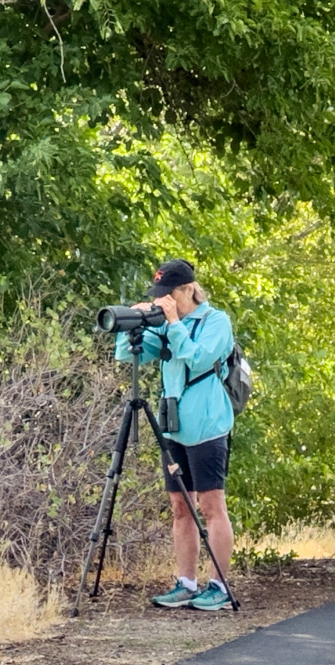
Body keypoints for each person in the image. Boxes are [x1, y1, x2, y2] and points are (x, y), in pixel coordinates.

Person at [115, 258, 235, 611]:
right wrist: (132, 324)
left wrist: (171, 323)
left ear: (188, 290)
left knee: (211, 506)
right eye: (159, 295)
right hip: (175, 427)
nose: (164, 300)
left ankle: (220, 587)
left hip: (208, 426)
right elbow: (127, 356)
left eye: (170, 294)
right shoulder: (169, 323)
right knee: (180, 507)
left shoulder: (216, 321)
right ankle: (185, 583)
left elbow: (198, 359)